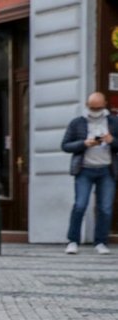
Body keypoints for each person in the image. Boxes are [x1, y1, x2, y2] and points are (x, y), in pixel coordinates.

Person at [61, 92, 118, 254]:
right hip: (84, 169)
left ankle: (101, 242)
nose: (95, 110)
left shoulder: (113, 122)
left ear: (105, 105)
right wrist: (84, 143)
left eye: (99, 107)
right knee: (80, 205)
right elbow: (65, 145)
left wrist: (111, 141)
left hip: (107, 169)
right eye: (92, 108)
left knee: (105, 208)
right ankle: (72, 241)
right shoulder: (77, 123)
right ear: (87, 105)